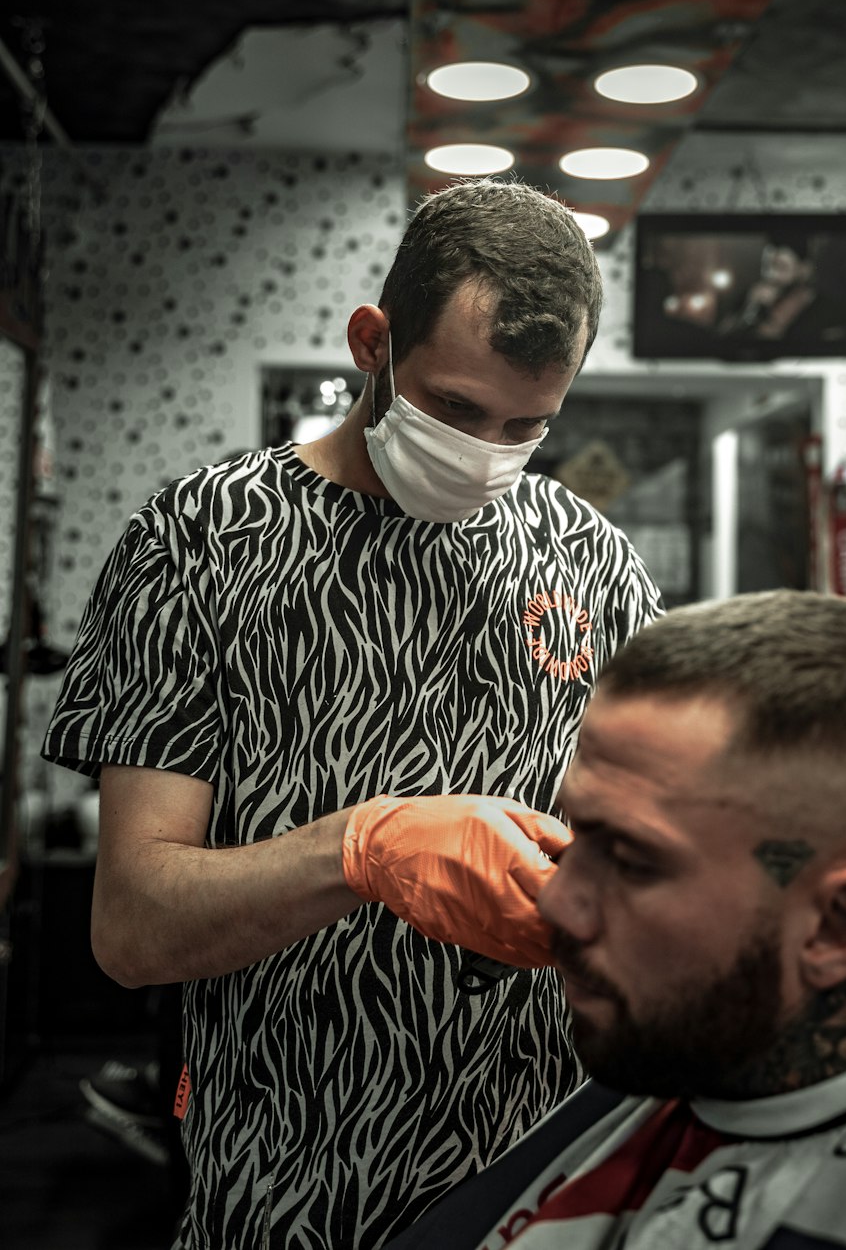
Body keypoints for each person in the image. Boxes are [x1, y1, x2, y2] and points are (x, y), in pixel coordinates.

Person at [41, 177, 661, 1250]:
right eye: (455, 409)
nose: (486, 454)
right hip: (289, 1175)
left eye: (527, 425)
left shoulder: (590, 559)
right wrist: (362, 850)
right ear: (372, 341)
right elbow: (134, 929)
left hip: (550, 1180)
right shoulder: (204, 540)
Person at [386, 590, 846, 1250]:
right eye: (576, 835)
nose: (557, 901)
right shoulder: (690, 1053)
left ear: (836, 928)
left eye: (630, 859)